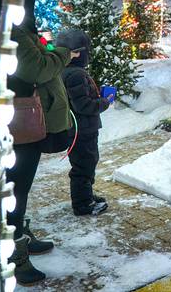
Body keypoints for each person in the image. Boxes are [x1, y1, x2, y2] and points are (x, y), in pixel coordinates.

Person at [0, 0, 75, 286]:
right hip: (20, 120)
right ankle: (14, 255)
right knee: (16, 189)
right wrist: (64, 53)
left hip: (10, 116)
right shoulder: (7, 32)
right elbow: (38, 68)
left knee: (16, 185)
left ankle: (21, 236)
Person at [56, 29, 111, 216]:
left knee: (85, 162)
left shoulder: (64, 71)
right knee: (84, 165)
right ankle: (83, 204)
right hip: (82, 129)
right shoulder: (76, 74)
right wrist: (105, 101)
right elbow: (84, 105)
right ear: (78, 53)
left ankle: (86, 195)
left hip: (76, 128)